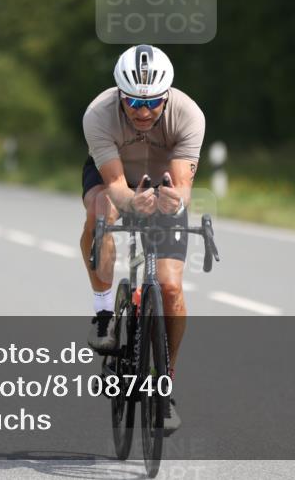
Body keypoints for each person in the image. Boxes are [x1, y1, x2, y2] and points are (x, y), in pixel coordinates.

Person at [80, 44, 205, 431]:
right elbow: (115, 183)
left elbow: (184, 187)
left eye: (153, 102)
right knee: (102, 211)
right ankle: (104, 313)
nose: (143, 111)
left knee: (170, 289)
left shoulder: (188, 114)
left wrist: (171, 202)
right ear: (120, 94)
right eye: (133, 101)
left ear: (167, 96)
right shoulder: (98, 114)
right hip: (117, 180)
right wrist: (133, 203)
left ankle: (164, 384)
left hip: (165, 183)